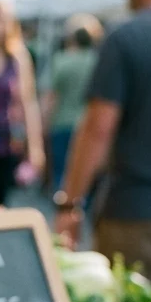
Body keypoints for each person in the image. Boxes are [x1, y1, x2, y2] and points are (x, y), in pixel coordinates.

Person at [57, 0, 151, 281]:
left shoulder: (126, 37)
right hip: (136, 208)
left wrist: (70, 203)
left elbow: (98, 130)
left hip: (135, 214)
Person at [0, 0, 44, 206]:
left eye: (1, 19)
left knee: (1, 198)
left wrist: (34, 146)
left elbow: (28, 102)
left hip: (6, 140)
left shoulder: (16, 56)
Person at [42, 15, 103, 191]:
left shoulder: (62, 60)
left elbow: (50, 97)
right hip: (88, 125)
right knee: (87, 174)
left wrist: (44, 124)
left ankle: (64, 209)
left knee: (62, 173)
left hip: (61, 124)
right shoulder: (98, 62)